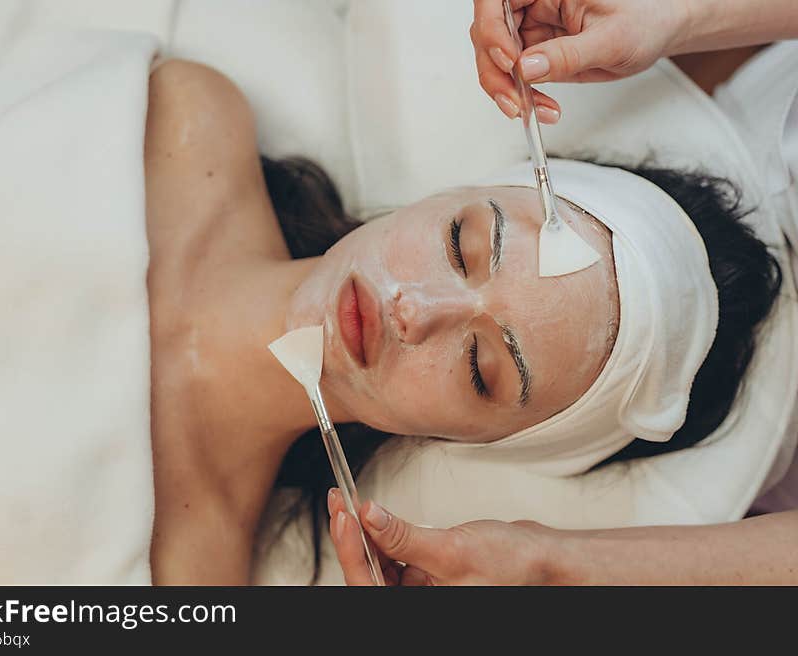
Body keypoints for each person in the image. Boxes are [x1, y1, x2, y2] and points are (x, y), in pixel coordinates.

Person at [328, 0, 798, 585]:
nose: (413, 310)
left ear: (480, 443)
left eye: (480, 368)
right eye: (459, 245)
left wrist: (558, 568)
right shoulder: (202, 111)